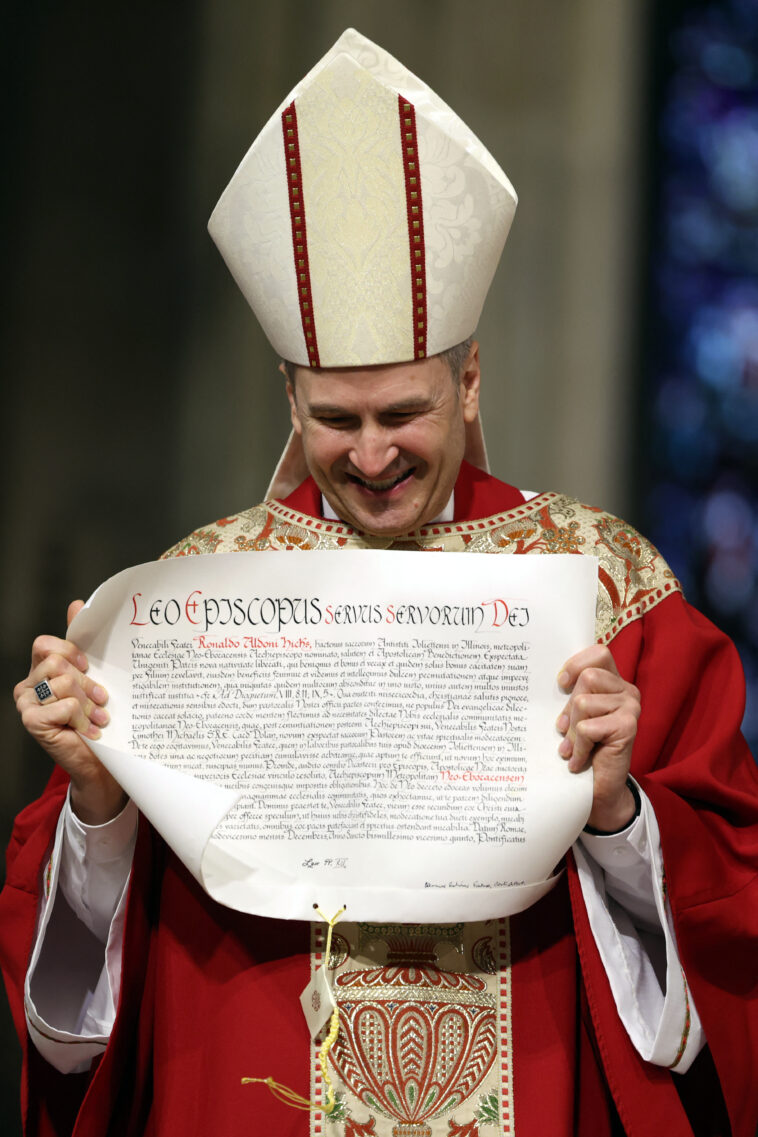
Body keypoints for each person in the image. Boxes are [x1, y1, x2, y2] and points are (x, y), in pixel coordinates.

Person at [3, 28, 757, 1137]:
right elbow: (72, 1023)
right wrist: (101, 801)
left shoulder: (609, 592)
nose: (370, 456)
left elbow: (726, 919)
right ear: (287, 395)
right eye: (334, 420)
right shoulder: (193, 600)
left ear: (468, 376)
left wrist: (615, 814)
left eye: (403, 412)